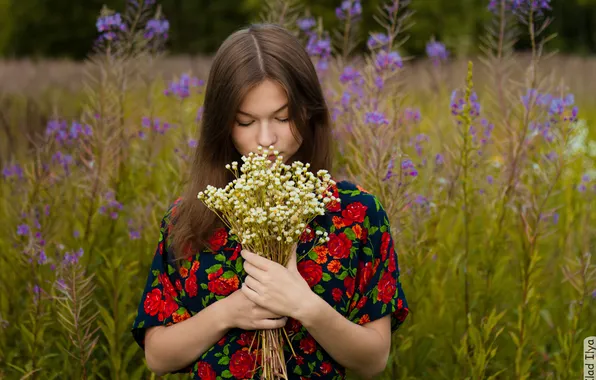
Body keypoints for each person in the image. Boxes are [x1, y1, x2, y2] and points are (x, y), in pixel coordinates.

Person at [131, 23, 409, 380]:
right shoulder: (192, 218)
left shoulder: (356, 214)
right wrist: (229, 312)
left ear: (309, 111)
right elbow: (158, 356)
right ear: (223, 125)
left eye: (283, 117)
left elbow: (373, 360)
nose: (266, 139)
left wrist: (305, 305)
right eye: (246, 122)